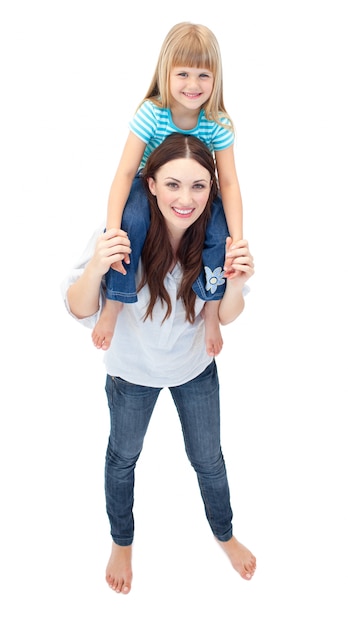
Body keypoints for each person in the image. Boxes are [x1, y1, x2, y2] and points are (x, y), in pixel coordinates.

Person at [63, 134, 256, 594]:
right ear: (149, 184)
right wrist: (95, 270)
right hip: (131, 374)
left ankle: (224, 533)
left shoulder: (215, 241)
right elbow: (76, 307)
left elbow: (227, 317)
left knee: (208, 460)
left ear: (212, 189)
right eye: (172, 185)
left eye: (198, 187)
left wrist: (234, 283)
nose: (185, 199)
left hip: (195, 370)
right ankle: (122, 542)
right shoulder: (122, 231)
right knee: (123, 457)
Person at [92, 22, 244, 358]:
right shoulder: (152, 113)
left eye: (203, 75)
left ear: (216, 78)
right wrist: (114, 228)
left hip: (199, 194)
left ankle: (210, 310)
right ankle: (115, 302)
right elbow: (126, 171)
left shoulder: (218, 122)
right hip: (151, 187)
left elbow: (229, 183)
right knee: (132, 218)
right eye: (184, 74)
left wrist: (237, 238)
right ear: (166, 73)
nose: (193, 85)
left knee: (220, 235)